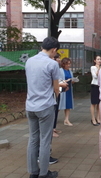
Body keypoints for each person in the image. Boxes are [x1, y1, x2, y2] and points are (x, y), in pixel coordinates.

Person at [25, 36, 59, 178]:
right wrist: (55, 97)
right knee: (45, 140)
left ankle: (33, 172)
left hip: (30, 105)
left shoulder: (29, 61)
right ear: (53, 50)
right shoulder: (52, 64)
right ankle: (44, 173)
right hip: (45, 106)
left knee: (33, 139)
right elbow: (56, 87)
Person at [53, 53, 68, 137]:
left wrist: (63, 83)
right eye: (57, 58)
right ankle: (51, 130)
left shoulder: (57, 68)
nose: (59, 60)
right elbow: (51, 82)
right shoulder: (51, 67)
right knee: (53, 111)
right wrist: (60, 85)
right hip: (53, 93)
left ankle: (54, 128)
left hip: (58, 91)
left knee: (56, 110)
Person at [59, 58, 76, 126]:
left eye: (69, 64)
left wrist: (73, 81)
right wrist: (65, 81)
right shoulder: (60, 71)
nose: (69, 65)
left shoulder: (70, 71)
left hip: (68, 89)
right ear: (63, 64)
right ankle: (54, 118)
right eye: (67, 64)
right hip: (62, 89)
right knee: (60, 104)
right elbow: (58, 80)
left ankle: (66, 119)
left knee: (68, 104)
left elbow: (71, 79)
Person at [90, 55, 101, 126]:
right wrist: (98, 69)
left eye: (100, 59)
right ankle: (93, 118)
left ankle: (98, 118)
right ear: (95, 60)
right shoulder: (93, 67)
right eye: (98, 59)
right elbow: (95, 76)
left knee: (99, 103)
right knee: (93, 103)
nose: (99, 60)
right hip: (94, 86)